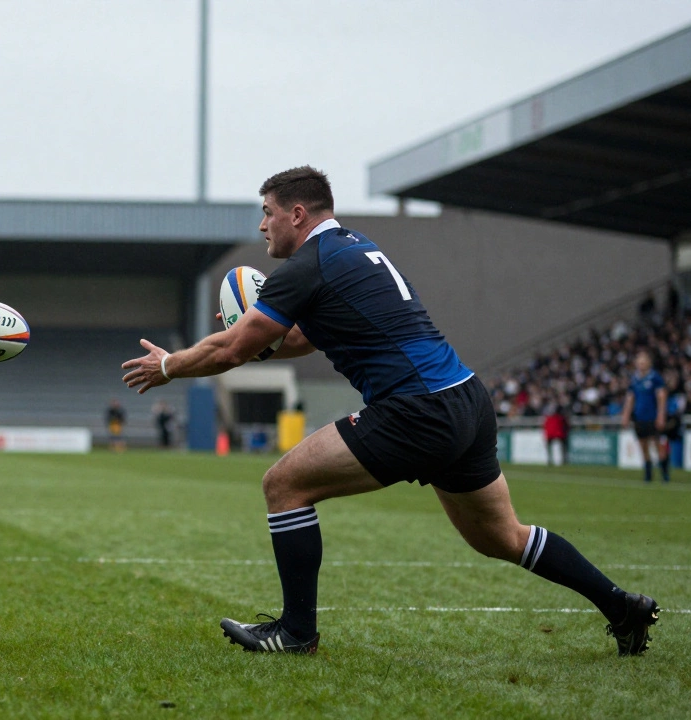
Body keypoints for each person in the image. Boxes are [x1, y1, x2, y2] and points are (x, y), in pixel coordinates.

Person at [121, 166, 657, 656]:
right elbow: (304, 338)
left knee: (284, 485)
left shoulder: (307, 264)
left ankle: (295, 633)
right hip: (466, 399)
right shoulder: (355, 248)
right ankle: (622, 606)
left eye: (267, 212)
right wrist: (258, 338)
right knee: (501, 537)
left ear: (297, 214)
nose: (262, 226)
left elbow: (229, 350)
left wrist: (170, 366)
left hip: (415, 409)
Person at [621, 350, 669, 483]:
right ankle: (648, 474)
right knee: (643, 446)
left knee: (658, 445)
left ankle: (664, 474)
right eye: (639, 361)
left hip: (652, 416)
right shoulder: (635, 379)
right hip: (639, 417)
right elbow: (630, 398)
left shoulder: (655, 377)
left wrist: (661, 415)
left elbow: (662, 396)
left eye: (644, 361)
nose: (641, 364)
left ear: (649, 363)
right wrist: (625, 415)